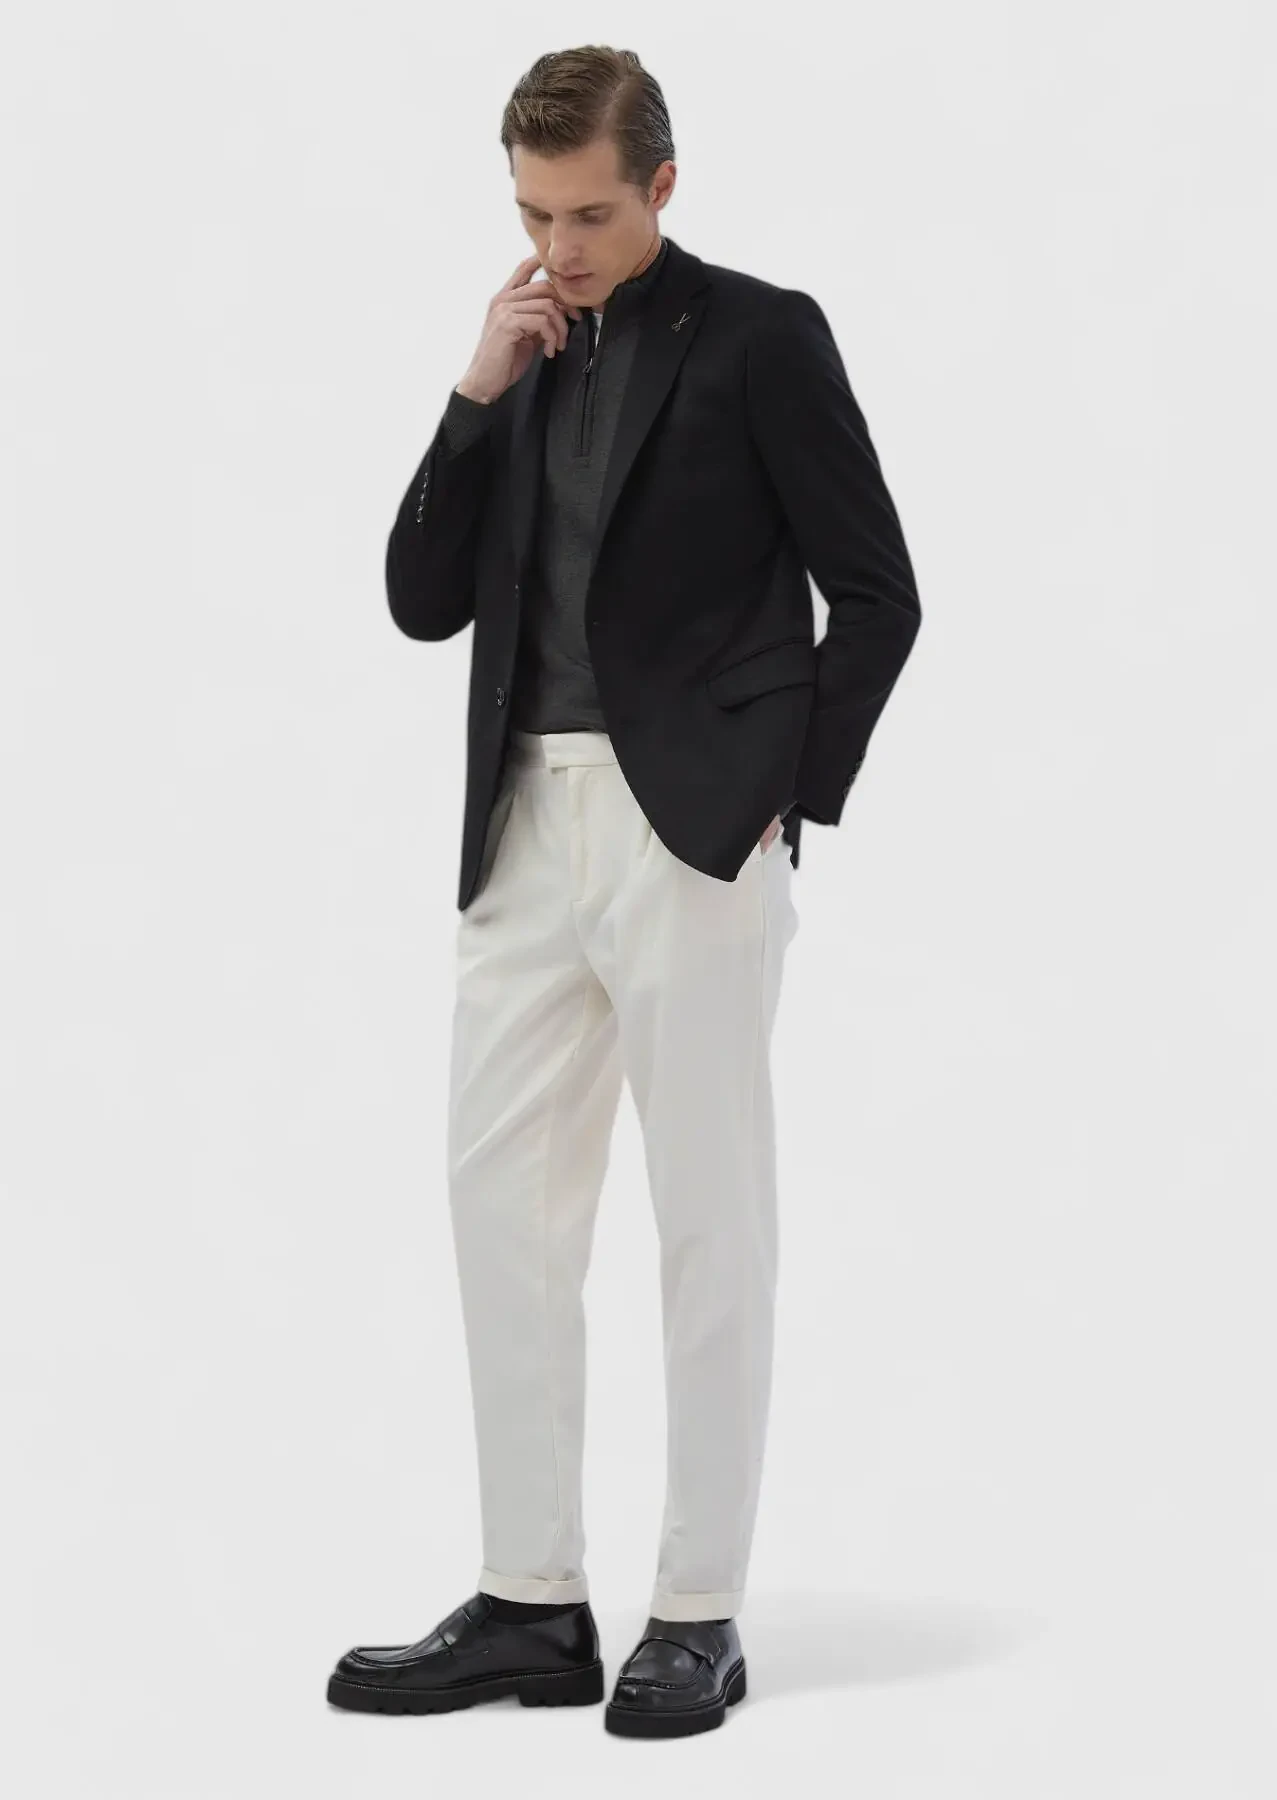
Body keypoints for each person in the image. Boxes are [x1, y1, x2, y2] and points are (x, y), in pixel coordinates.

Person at [327, 43, 921, 1740]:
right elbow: (420, 599)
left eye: (589, 213)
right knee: (500, 1211)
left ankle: (697, 1609)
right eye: (533, 214)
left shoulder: (763, 337)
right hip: (522, 822)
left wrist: (780, 795)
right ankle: (531, 1600)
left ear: (662, 185)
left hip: (693, 831)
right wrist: (475, 391)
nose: (559, 246)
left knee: (708, 1217)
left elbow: (880, 593)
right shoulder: (525, 346)